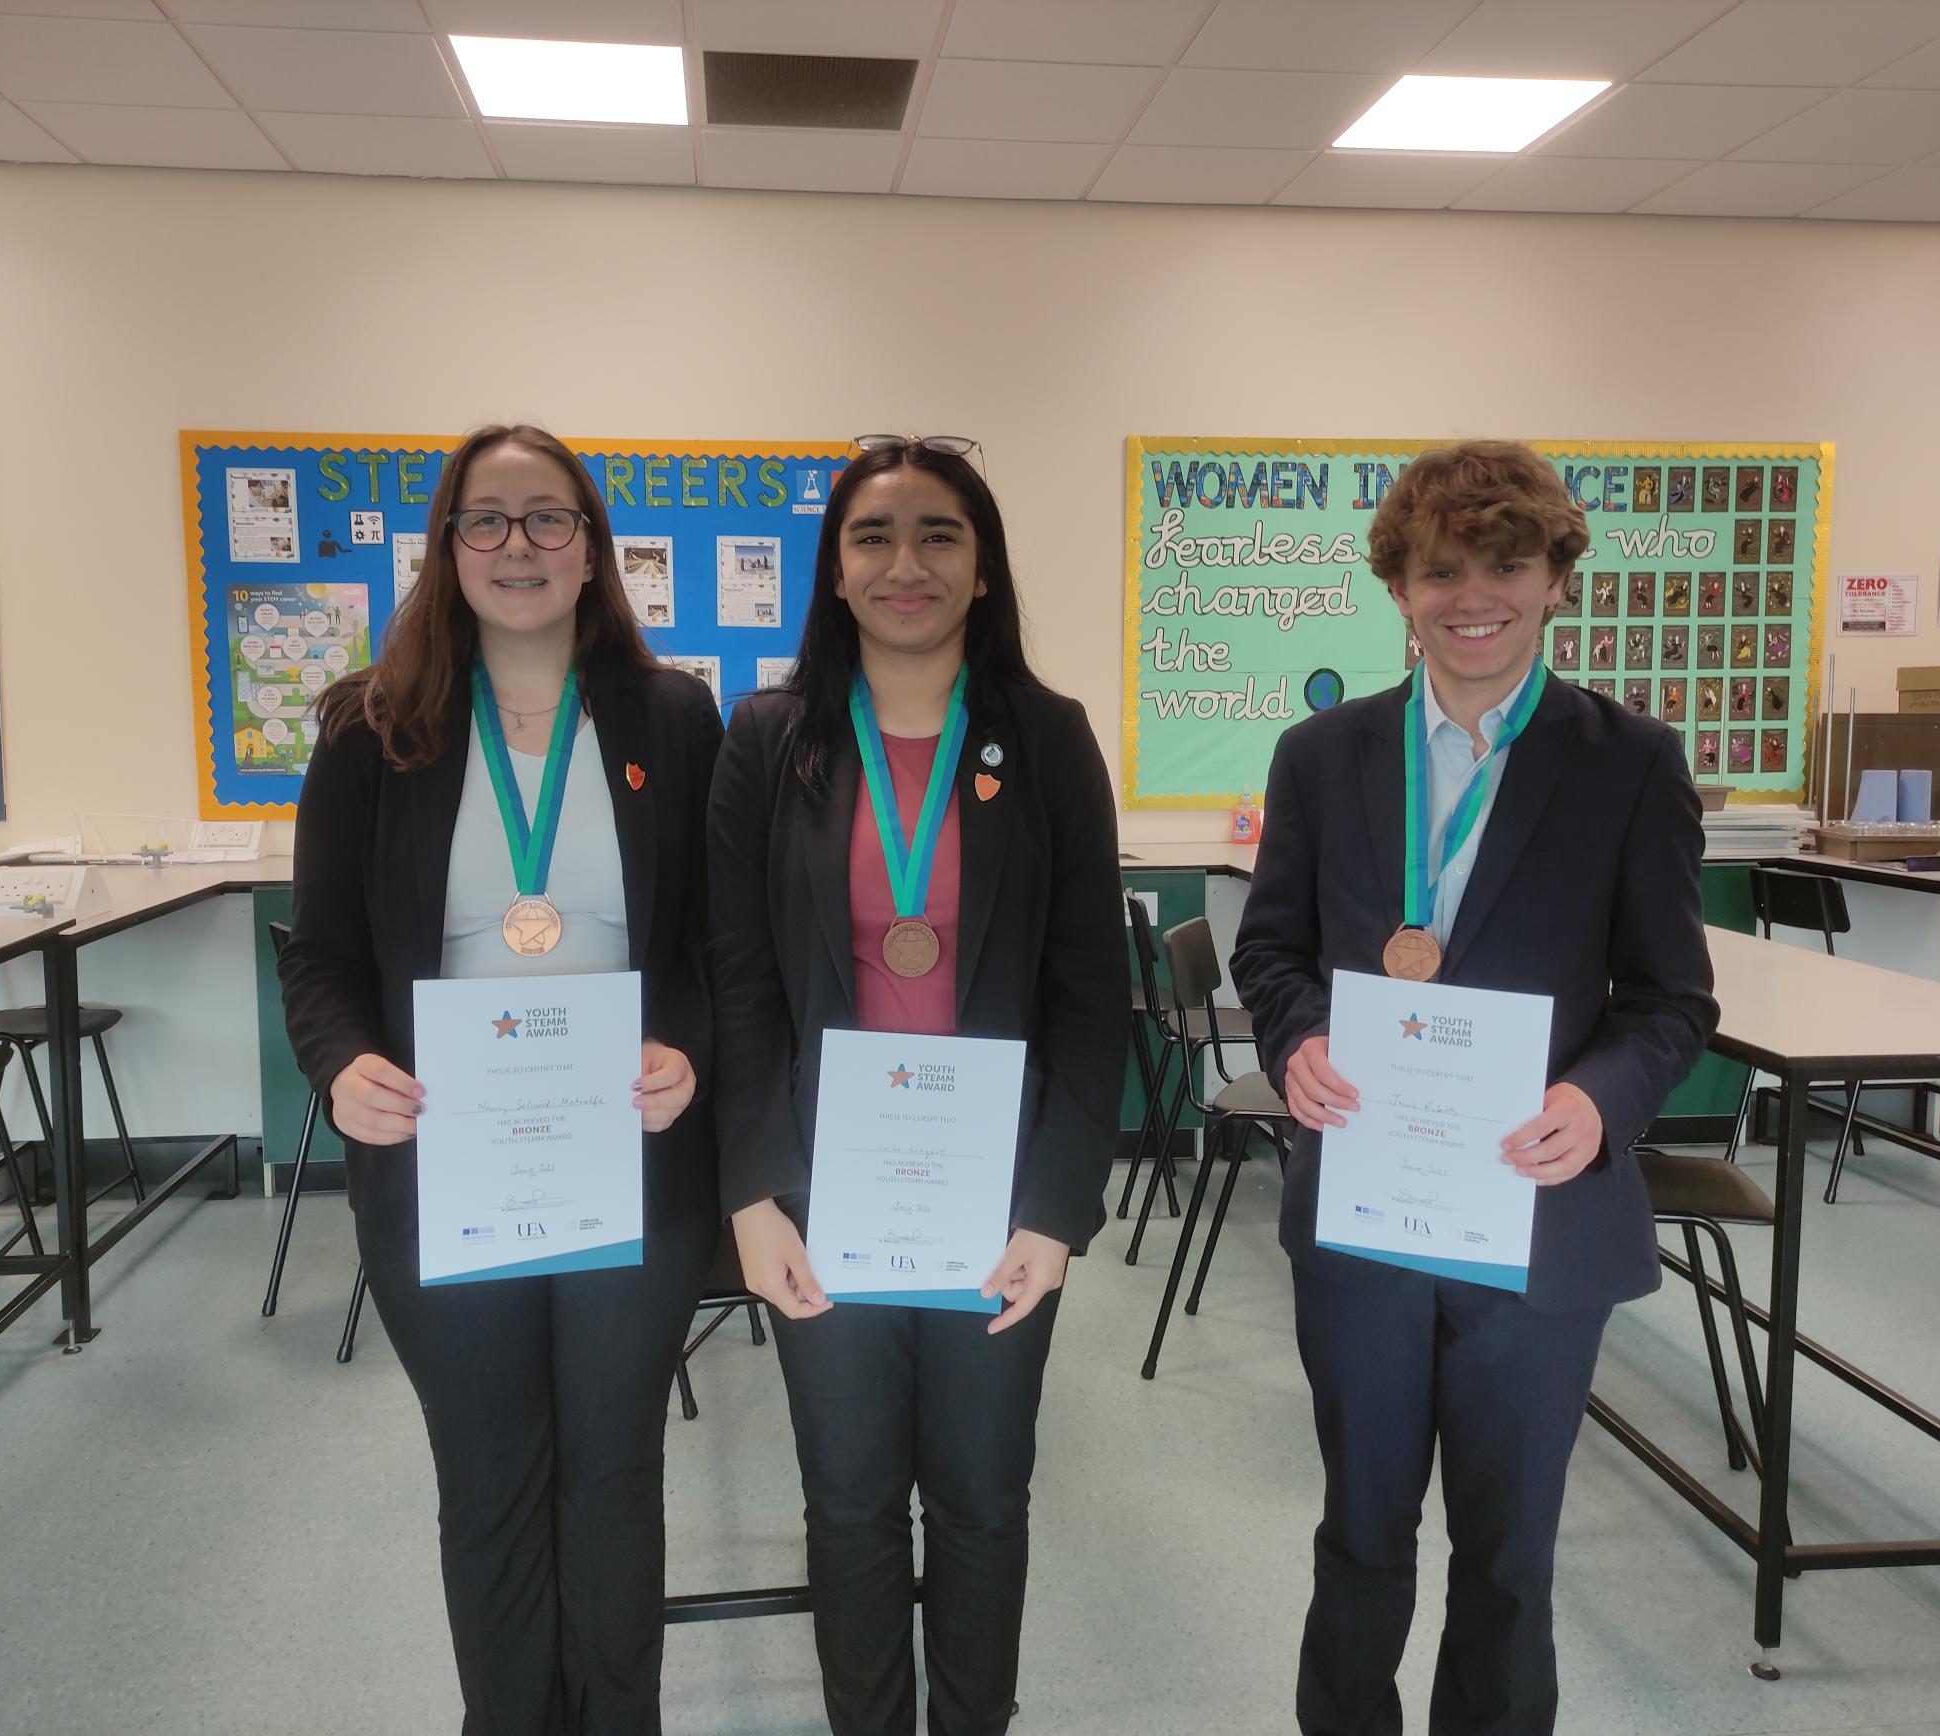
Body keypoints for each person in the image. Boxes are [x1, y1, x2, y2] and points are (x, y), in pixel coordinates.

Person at [1230, 439, 1718, 1736]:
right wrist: (1298, 1040)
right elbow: (1270, 952)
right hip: (1367, 1213)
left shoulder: (1628, 762)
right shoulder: (1322, 755)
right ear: (1400, 587)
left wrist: (1599, 1101)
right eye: (1442, 571)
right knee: (1360, 1538)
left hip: (1534, 1217)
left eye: (1506, 566)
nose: (1473, 597)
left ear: (1557, 579)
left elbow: (1673, 999)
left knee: (1507, 1558)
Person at [280, 422, 722, 1735]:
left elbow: (717, 944)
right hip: (443, 1169)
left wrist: (688, 1046)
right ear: (447, 545)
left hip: (627, 1162)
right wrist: (342, 1064)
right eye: (487, 518)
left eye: (547, 518)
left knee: (612, 1470)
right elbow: (321, 955)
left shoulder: (673, 719)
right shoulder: (371, 729)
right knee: (489, 1479)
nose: (517, 545)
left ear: (591, 547)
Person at [708, 437, 1127, 1736]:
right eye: (873, 537)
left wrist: (1056, 1211)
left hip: (997, 1206)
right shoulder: (769, 742)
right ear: (834, 572)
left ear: (983, 568)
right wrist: (753, 1195)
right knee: (847, 1502)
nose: (907, 564)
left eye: (940, 534)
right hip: (819, 1197)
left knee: (984, 1500)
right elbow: (739, 988)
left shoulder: (1046, 740)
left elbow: (1089, 997)